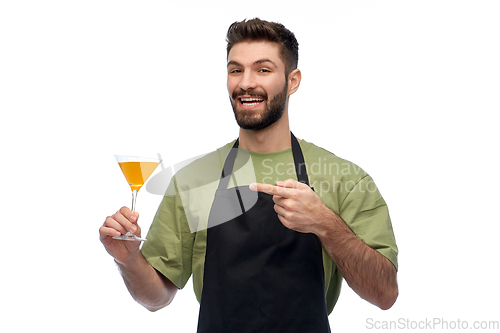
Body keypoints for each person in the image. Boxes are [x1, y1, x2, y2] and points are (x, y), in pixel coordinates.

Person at [100, 18, 398, 332]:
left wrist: (327, 224)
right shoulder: (193, 179)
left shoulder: (344, 178)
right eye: (236, 70)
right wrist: (127, 260)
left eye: (263, 69)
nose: (245, 83)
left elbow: (385, 294)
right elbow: (156, 298)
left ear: (292, 81)